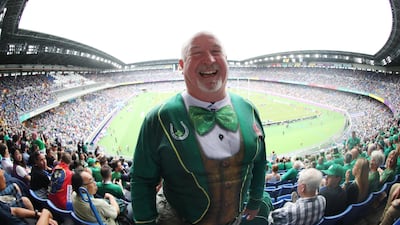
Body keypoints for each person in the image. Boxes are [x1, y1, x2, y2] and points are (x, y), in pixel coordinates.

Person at [131, 32, 267, 225]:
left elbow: (259, 161)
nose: (209, 59)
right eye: (196, 53)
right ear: (181, 65)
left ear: (226, 61)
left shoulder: (249, 110)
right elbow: (142, 179)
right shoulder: (159, 118)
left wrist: (255, 199)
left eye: (216, 51)